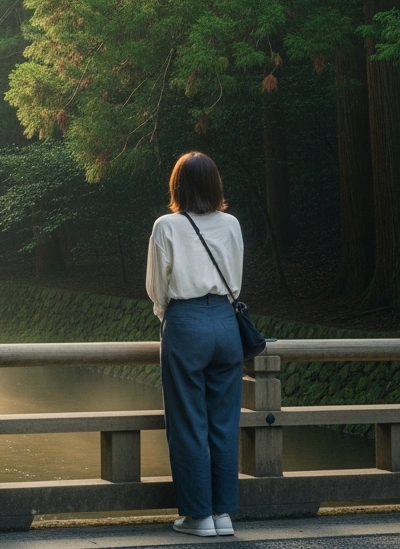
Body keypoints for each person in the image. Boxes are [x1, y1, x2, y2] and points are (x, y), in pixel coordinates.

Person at [146, 151, 244, 538]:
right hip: (226, 321)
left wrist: (172, 319)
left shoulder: (166, 226)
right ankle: (223, 514)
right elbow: (235, 280)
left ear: (178, 186)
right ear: (215, 185)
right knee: (223, 422)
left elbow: (157, 288)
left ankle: (198, 515)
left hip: (186, 323)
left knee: (188, 424)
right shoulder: (232, 224)